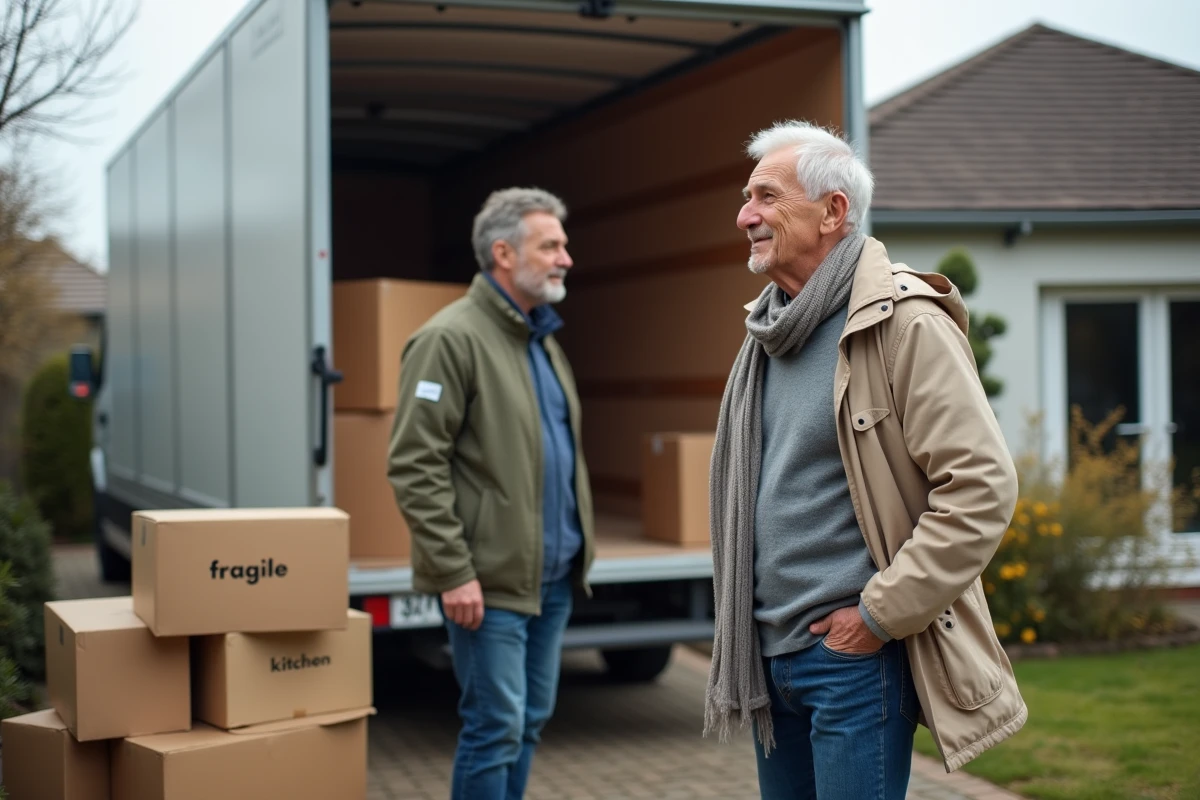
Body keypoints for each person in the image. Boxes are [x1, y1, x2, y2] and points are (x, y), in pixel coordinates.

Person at [704, 121, 1027, 799]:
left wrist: (877, 617)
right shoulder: (768, 333)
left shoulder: (903, 323)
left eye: (765, 196)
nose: (745, 216)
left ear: (833, 211)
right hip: (772, 658)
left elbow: (981, 488)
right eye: (746, 198)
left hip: (853, 662)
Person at [388, 187, 595, 800]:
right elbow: (413, 464)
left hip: (550, 580)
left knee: (527, 724)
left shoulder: (542, 340)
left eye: (563, 245)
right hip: (488, 583)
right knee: (494, 728)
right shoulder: (449, 339)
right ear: (503, 253)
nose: (566, 258)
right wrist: (453, 571)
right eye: (550, 245)